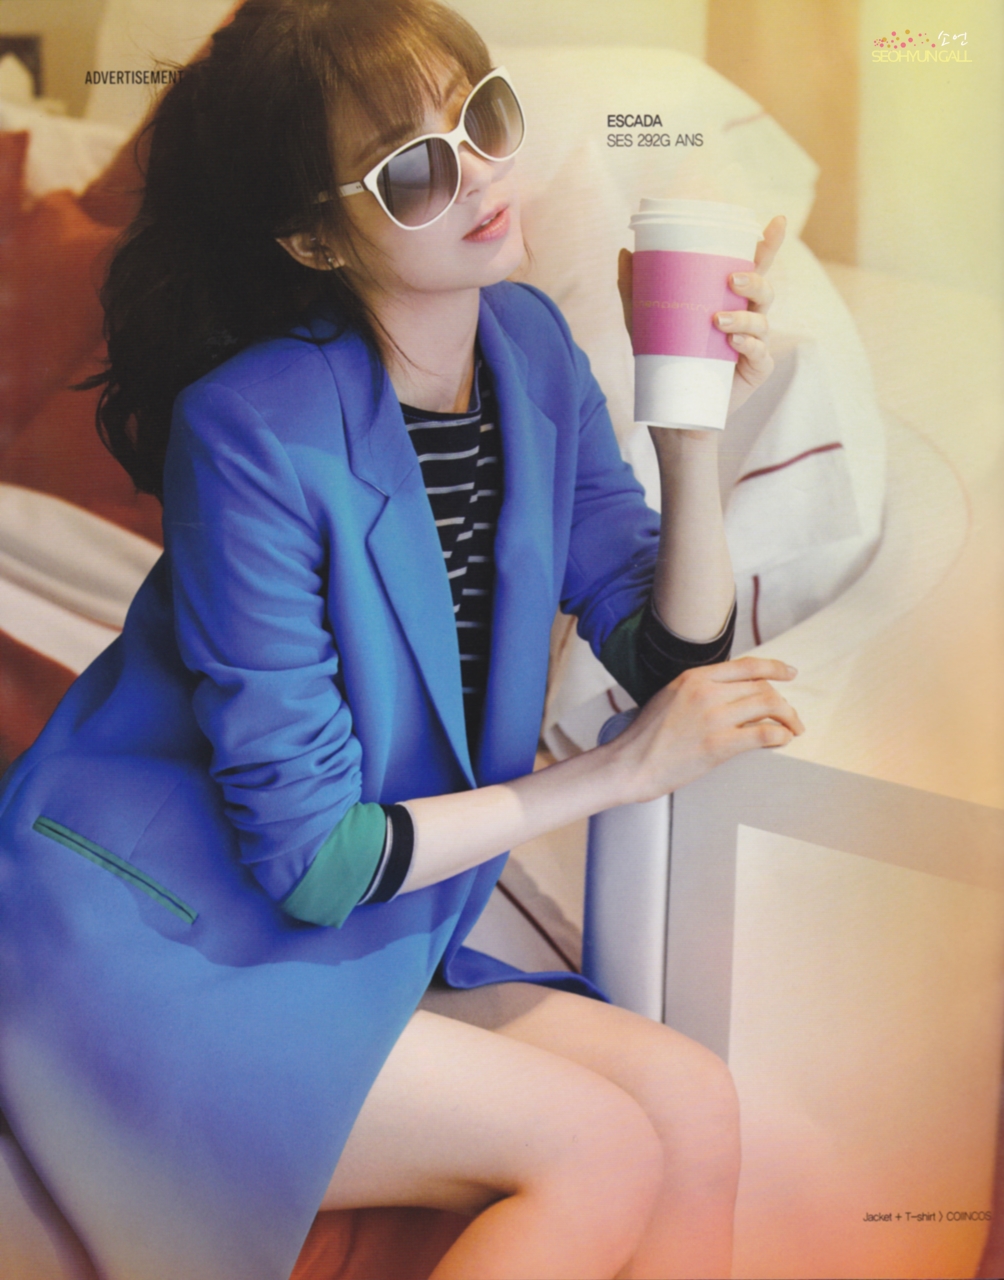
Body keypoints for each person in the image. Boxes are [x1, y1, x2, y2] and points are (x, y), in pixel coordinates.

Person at [0, 1, 804, 1277]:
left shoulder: (529, 346)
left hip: (350, 932)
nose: (477, 174)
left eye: (483, 118)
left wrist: (687, 422)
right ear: (314, 235)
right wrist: (612, 773)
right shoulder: (250, 427)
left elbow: (664, 654)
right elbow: (314, 859)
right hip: (160, 942)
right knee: (598, 1147)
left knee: (689, 1102)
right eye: (412, 169)